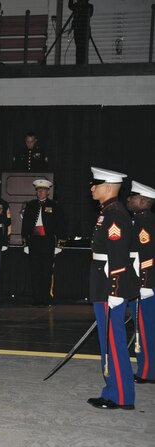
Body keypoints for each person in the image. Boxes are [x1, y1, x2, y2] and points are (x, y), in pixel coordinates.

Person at [87, 167, 138, 410]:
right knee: (109, 341)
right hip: (103, 282)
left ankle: (120, 396)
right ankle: (113, 390)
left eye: (95, 184)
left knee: (113, 342)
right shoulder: (108, 212)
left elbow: (118, 254)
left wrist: (115, 291)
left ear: (107, 187)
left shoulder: (115, 214)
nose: (91, 188)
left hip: (110, 285)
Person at [21, 180, 67, 306]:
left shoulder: (54, 205)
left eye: (43, 190)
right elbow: (25, 224)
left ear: (48, 192)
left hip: (47, 241)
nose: (40, 192)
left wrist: (60, 243)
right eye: (38, 190)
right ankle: (36, 298)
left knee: (46, 271)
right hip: (34, 241)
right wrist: (25, 242)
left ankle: (46, 298)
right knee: (35, 271)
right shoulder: (31, 205)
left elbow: (61, 225)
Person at [126, 180, 155, 384]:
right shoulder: (139, 219)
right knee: (142, 328)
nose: (128, 199)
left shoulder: (144, 221)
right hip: (139, 282)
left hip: (145, 285)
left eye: (132, 196)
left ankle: (148, 371)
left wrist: (145, 284)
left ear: (143, 200)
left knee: (145, 329)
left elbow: (147, 255)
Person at [69, 0, 93, 65]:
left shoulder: (89, 7)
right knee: (78, 49)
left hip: (85, 31)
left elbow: (89, 14)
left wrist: (80, 6)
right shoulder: (77, 6)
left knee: (84, 50)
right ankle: (78, 64)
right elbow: (70, 6)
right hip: (77, 31)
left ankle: (83, 64)